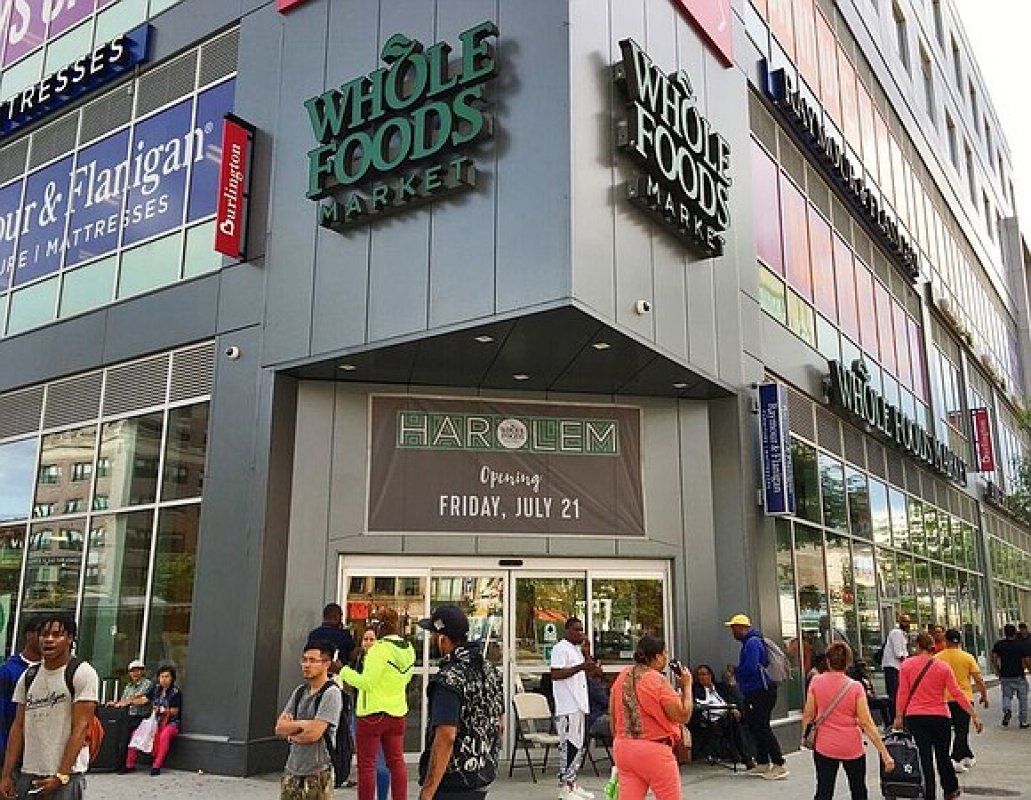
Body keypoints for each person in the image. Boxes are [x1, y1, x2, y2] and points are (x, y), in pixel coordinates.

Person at [0, 612, 99, 800]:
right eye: (44, 634)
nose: (49, 640)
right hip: (29, 772)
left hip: (65, 776)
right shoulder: (29, 676)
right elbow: (18, 727)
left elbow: (81, 727)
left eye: (57, 634)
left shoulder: (81, 673)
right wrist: (6, 775)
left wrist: (61, 775)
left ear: (70, 638)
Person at [417, 605, 503, 800]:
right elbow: (500, 724)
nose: (431, 640)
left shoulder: (449, 679)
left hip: (452, 783)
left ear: (442, 639)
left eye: (432, 635)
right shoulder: (490, 671)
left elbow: (446, 737)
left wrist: (427, 792)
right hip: (481, 778)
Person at [893, 632, 982, 800]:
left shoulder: (907, 665)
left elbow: (902, 693)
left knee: (924, 757)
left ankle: (929, 794)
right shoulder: (943, 667)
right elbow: (957, 692)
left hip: (916, 716)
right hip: (940, 716)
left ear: (918, 646)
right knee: (942, 755)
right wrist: (973, 714)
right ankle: (950, 789)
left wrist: (898, 716)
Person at [801, 642, 894, 800]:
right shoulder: (855, 687)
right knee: (858, 789)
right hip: (852, 746)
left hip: (824, 744)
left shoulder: (816, 681)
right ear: (848, 663)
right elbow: (866, 722)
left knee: (824, 789)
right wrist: (884, 753)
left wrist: (804, 737)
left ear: (828, 661)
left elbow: (808, 714)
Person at [340, 608, 415, 800]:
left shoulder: (378, 650)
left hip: (372, 714)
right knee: (396, 762)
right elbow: (406, 679)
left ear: (380, 626)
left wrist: (343, 671)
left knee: (367, 765)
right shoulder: (408, 649)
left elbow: (367, 683)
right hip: (397, 713)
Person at [608, 635, 692, 800]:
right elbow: (683, 715)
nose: (666, 657)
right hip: (654, 749)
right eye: (665, 653)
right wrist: (687, 685)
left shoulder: (623, 675)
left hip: (624, 748)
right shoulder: (657, 680)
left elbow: (613, 714)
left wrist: (619, 739)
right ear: (658, 657)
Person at [276, 640, 344, 800]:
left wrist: (292, 731)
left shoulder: (331, 693)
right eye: (304, 660)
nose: (306, 665)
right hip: (292, 770)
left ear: (326, 664)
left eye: (313, 660)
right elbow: (279, 728)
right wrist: (304, 725)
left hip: (317, 773)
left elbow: (313, 734)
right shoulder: (299, 692)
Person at [725, 613, 788, 780]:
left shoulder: (752, 643)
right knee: (755, 726)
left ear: (742, 628)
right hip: (759, 691)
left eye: (734, 628)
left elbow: (751, 668)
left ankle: (779, 763)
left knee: (761, 726)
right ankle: (762, 762)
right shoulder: (753, 642)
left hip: (760, 691)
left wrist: (736, 671)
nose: (733, 632)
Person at [549, 618, 603, 800]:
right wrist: (580, 666)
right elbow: (555, 674)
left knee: (578, 746)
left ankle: (572, 783)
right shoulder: (560, 648)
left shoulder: (577, 650)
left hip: (579, 705)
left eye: (582, 630)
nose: (580, 633)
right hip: (567, 705)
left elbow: (593, 672)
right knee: (568, 747)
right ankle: (565, 788)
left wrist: (586, 655)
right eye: (576, 630)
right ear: (567, 630)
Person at [935, 628, 988, 773]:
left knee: (950, 731)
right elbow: (978, 679)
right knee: (962, 730)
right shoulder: (967, 657)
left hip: (944, 698)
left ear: (945, 641)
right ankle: (956, 758)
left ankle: (967, 755)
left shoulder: (937, 657)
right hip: (964, 698)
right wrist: (984, 695)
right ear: (960, 641)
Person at [689, 663, 753, 768]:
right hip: (711, 718)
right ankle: (745, 757)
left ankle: (744, 757)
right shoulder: (696, 690)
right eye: (700, 675)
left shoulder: (720, 687)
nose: (702, 677)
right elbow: (698, 705)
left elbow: (731, 700)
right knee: (733, 724)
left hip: (726, 715)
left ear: (710, 675)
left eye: (705, 674)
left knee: (735, 721)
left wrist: (733, 708)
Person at [351, 627, 389, 800]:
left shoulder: (383, 660)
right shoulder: (359, 660)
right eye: (365, 639)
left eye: (371, 639)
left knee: (380, 763)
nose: (368, 643)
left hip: (378, 715)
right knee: (365, 763)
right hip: (360, 712)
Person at [122, 665, 182, 776]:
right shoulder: (156, 689)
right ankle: (129, 764)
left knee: (164, 736)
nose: (164, 679)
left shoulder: (176, 692)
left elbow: (175, 711)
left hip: (170, 723)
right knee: (136, 734)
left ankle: (156, 765)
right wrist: (127, 702)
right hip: (154, 721)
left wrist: (162, 710)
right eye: (162, 676)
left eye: (167, 676)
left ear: (172, 678)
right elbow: (144, 699)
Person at [0, 616, 41, 766]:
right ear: (28, 635)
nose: (47, 639)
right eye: (42, 633)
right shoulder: (8, 671)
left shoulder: (57, 671)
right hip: (13, 754)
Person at [108, 659, 153, 771]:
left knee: (125, 733)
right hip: (127, 715)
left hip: (141, 716)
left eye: (138, 670)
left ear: (142, 671)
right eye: (132, 671)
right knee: (114, 729)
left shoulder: (147, 683)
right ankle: (114, 763)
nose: (135, 673)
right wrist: (115, 703)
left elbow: (142, 699)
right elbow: (124, 700)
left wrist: (128, 701)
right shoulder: (129, 686)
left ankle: (124, 765)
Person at [991, 623, 1029, 728]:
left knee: (1006, 696)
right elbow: (1026, 660)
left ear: (1005, 633)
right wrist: (1029, 669)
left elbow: (993, 657)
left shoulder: (999, 645)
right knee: (1023, 699)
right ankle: (1023, 721)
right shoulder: (1021, 645)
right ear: (1015, 633)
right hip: (1019, 675)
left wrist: (997, 670)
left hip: (1005, 675)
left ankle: (1007, 709)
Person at [880, 613, 911, 724]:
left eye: (908, 622)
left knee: (897, 693)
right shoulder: (896, 633)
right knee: (894, 694)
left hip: (897, 667)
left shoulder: (903, 634)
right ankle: (894, 718)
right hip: (892, 666)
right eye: (904, 621)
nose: (906, 624)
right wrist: (908, 659)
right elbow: (899, 653)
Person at [310, 603, 356, 673]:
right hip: (337, 673)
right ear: (337, 616)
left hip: (317, 672)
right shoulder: (344, 635)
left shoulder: (313, 634)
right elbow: (353, 656)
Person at [846, 660, 892, 730]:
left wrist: (873, 693)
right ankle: (887, 725)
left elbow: (871, 688)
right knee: (882, 704)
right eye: (861, 667)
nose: (864, 669)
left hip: (871, 697)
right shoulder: (856, 679)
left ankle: (892, 722)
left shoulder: (865, 677)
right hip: (864, 699)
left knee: (890, 701)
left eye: (864, 667)